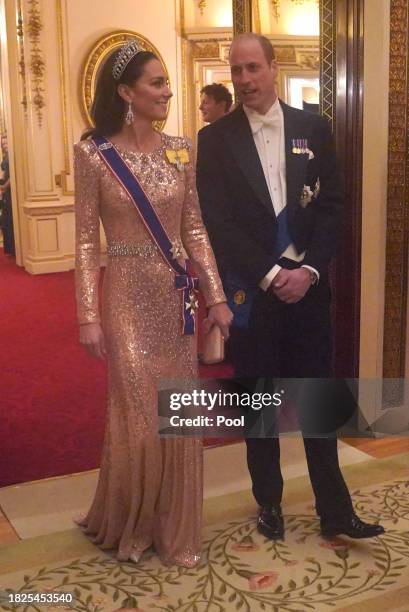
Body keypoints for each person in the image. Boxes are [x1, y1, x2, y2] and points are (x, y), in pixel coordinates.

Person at [196, 33, 384, 541]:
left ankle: (335, 511)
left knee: (317, 400)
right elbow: (219, 223)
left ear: (273, 68)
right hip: (256, 294)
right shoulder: (215, 140)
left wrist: (310, 271)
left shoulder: (313, 126)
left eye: (253, 68)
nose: (244, 80)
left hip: (309, 291)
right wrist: (272, 274)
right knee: (260, 406)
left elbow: (332, 206)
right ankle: (269, 505)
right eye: (236, 70)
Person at [74, 40, 232, 567]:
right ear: (126, 92)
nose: (168, 91)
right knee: (140, 419)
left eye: (166, 83)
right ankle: (131, 523)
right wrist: (88, 314)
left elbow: (194, 228)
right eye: (157, 83)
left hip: (174, 300)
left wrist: (215, 294)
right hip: (123, 297)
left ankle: (174, 527)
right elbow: (85, 243)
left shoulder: (180, 149)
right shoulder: (94, 153)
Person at [0, 134, 15, 256]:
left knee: (9, 219)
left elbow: (12, 176)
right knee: (6, 219)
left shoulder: (12, 157)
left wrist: (4, 186)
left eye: (6, 143)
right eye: (2, 144)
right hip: (5, 191)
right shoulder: (6, 157)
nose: (4, 146)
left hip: (10, 191)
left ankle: (13, 249)